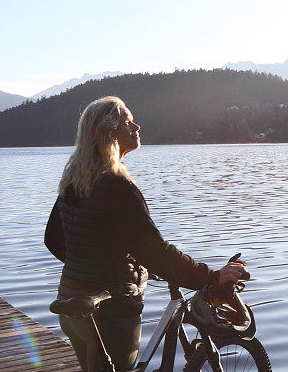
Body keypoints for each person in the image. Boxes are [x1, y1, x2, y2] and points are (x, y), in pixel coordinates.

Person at [44, 96, 246, 371]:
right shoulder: (117, 187)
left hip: (71, 303)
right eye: (128, 122)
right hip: (111, 310)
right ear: (109, 131)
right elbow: (155, 252)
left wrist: (90, 264)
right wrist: (211, 276)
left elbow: (54, 240)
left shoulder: (73, 183)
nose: (136, 126)